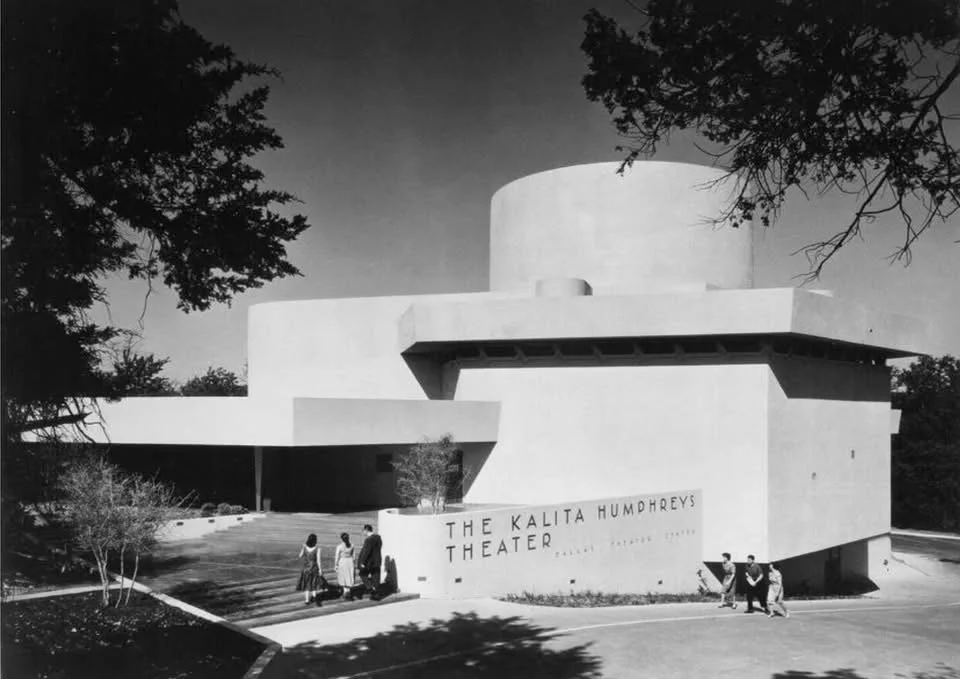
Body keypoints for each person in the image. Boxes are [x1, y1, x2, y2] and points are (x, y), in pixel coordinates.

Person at [295, 533, 324, 606]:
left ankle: (307, 600)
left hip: (306, 568)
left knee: (307, 584)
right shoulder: (318, 549)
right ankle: (315, 597)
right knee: (314, 583)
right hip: (314, 568)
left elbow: (300, 556)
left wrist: (303, 548)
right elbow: (318, 560)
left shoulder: (305, 547)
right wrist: (320, 569)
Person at [357, 523, 382, 601]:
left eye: (363, 531)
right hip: (377, 561)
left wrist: (362, 562)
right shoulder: (378, 538)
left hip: (370, 562)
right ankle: (376, 594)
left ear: (366, 530)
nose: (363, 533)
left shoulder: (368, 540)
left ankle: (370, 588)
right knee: (376, 577)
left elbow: (366, 552)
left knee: (362, 574)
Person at [335, 532, 357, 601]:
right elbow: (354, 556)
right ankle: (349, 592)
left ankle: (345, 592)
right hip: (350, 561)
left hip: (343, 561)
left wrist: (336, 564)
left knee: (343, 577)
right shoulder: (352, 545)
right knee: (349, 576)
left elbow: (337, 556)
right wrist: (352, 562)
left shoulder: (340, 546)